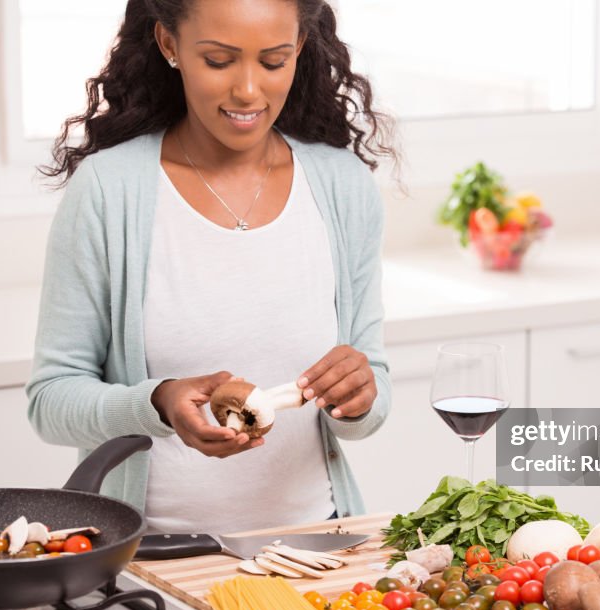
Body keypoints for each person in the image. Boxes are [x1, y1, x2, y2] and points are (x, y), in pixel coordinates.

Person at [26, 0, 396, 533]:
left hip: (315, 549)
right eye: (220, 61)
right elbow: (51, 398)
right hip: (154, 563)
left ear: (300, 48)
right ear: (170, 45)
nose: (248, 90)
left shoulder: (342, 185)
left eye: (273, 62)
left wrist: (360, 397)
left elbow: (373, 389)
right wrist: (155, 401)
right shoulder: (110, 190)